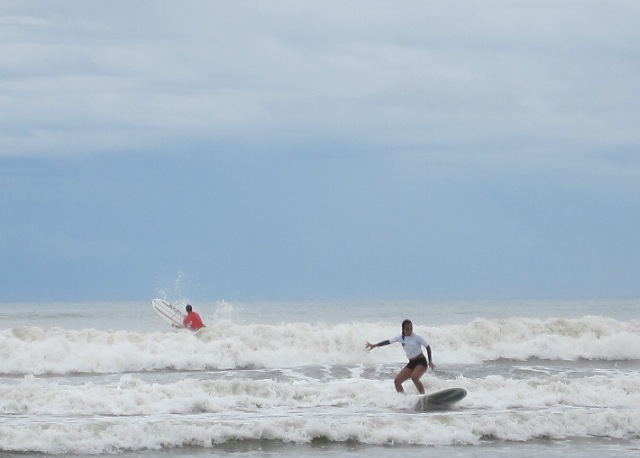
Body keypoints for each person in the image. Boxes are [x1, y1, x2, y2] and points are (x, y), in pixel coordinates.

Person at [366, 319, 435, 394]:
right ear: (403, 329)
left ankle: (423, 396)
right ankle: (404, 397)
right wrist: (375, 345)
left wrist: (430, 361)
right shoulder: (400, 338)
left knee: (414, 377)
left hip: (421, 362)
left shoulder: (417, 338)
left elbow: (427, 347)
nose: (410, 331)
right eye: (407, 329)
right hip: (411, 363)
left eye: (411, 329)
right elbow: (388, 342)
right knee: (397, 381)